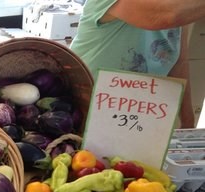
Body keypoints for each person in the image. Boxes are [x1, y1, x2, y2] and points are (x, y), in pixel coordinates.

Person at [70, 0, 205, 128]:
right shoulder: (171, 11)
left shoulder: (179, 6)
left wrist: (188, 123)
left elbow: (179, 63)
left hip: (134, 116)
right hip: (84, 110)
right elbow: (164, 16)